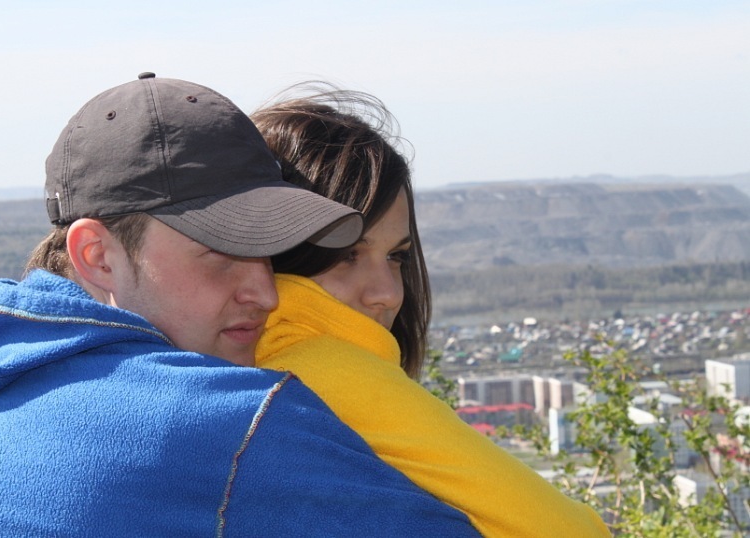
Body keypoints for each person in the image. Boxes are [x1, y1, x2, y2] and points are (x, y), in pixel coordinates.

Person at [0, 73, 481, 536]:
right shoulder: (236, 424)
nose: (266, 294)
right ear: (97, 256)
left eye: (268, 254)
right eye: (221, 255)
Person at [251, 84, 612, 538]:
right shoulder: (324, 368)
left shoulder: (233, 369)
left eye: (397, 256)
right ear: (278, 251)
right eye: (347, 255)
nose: (387, 293)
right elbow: (565, 530)